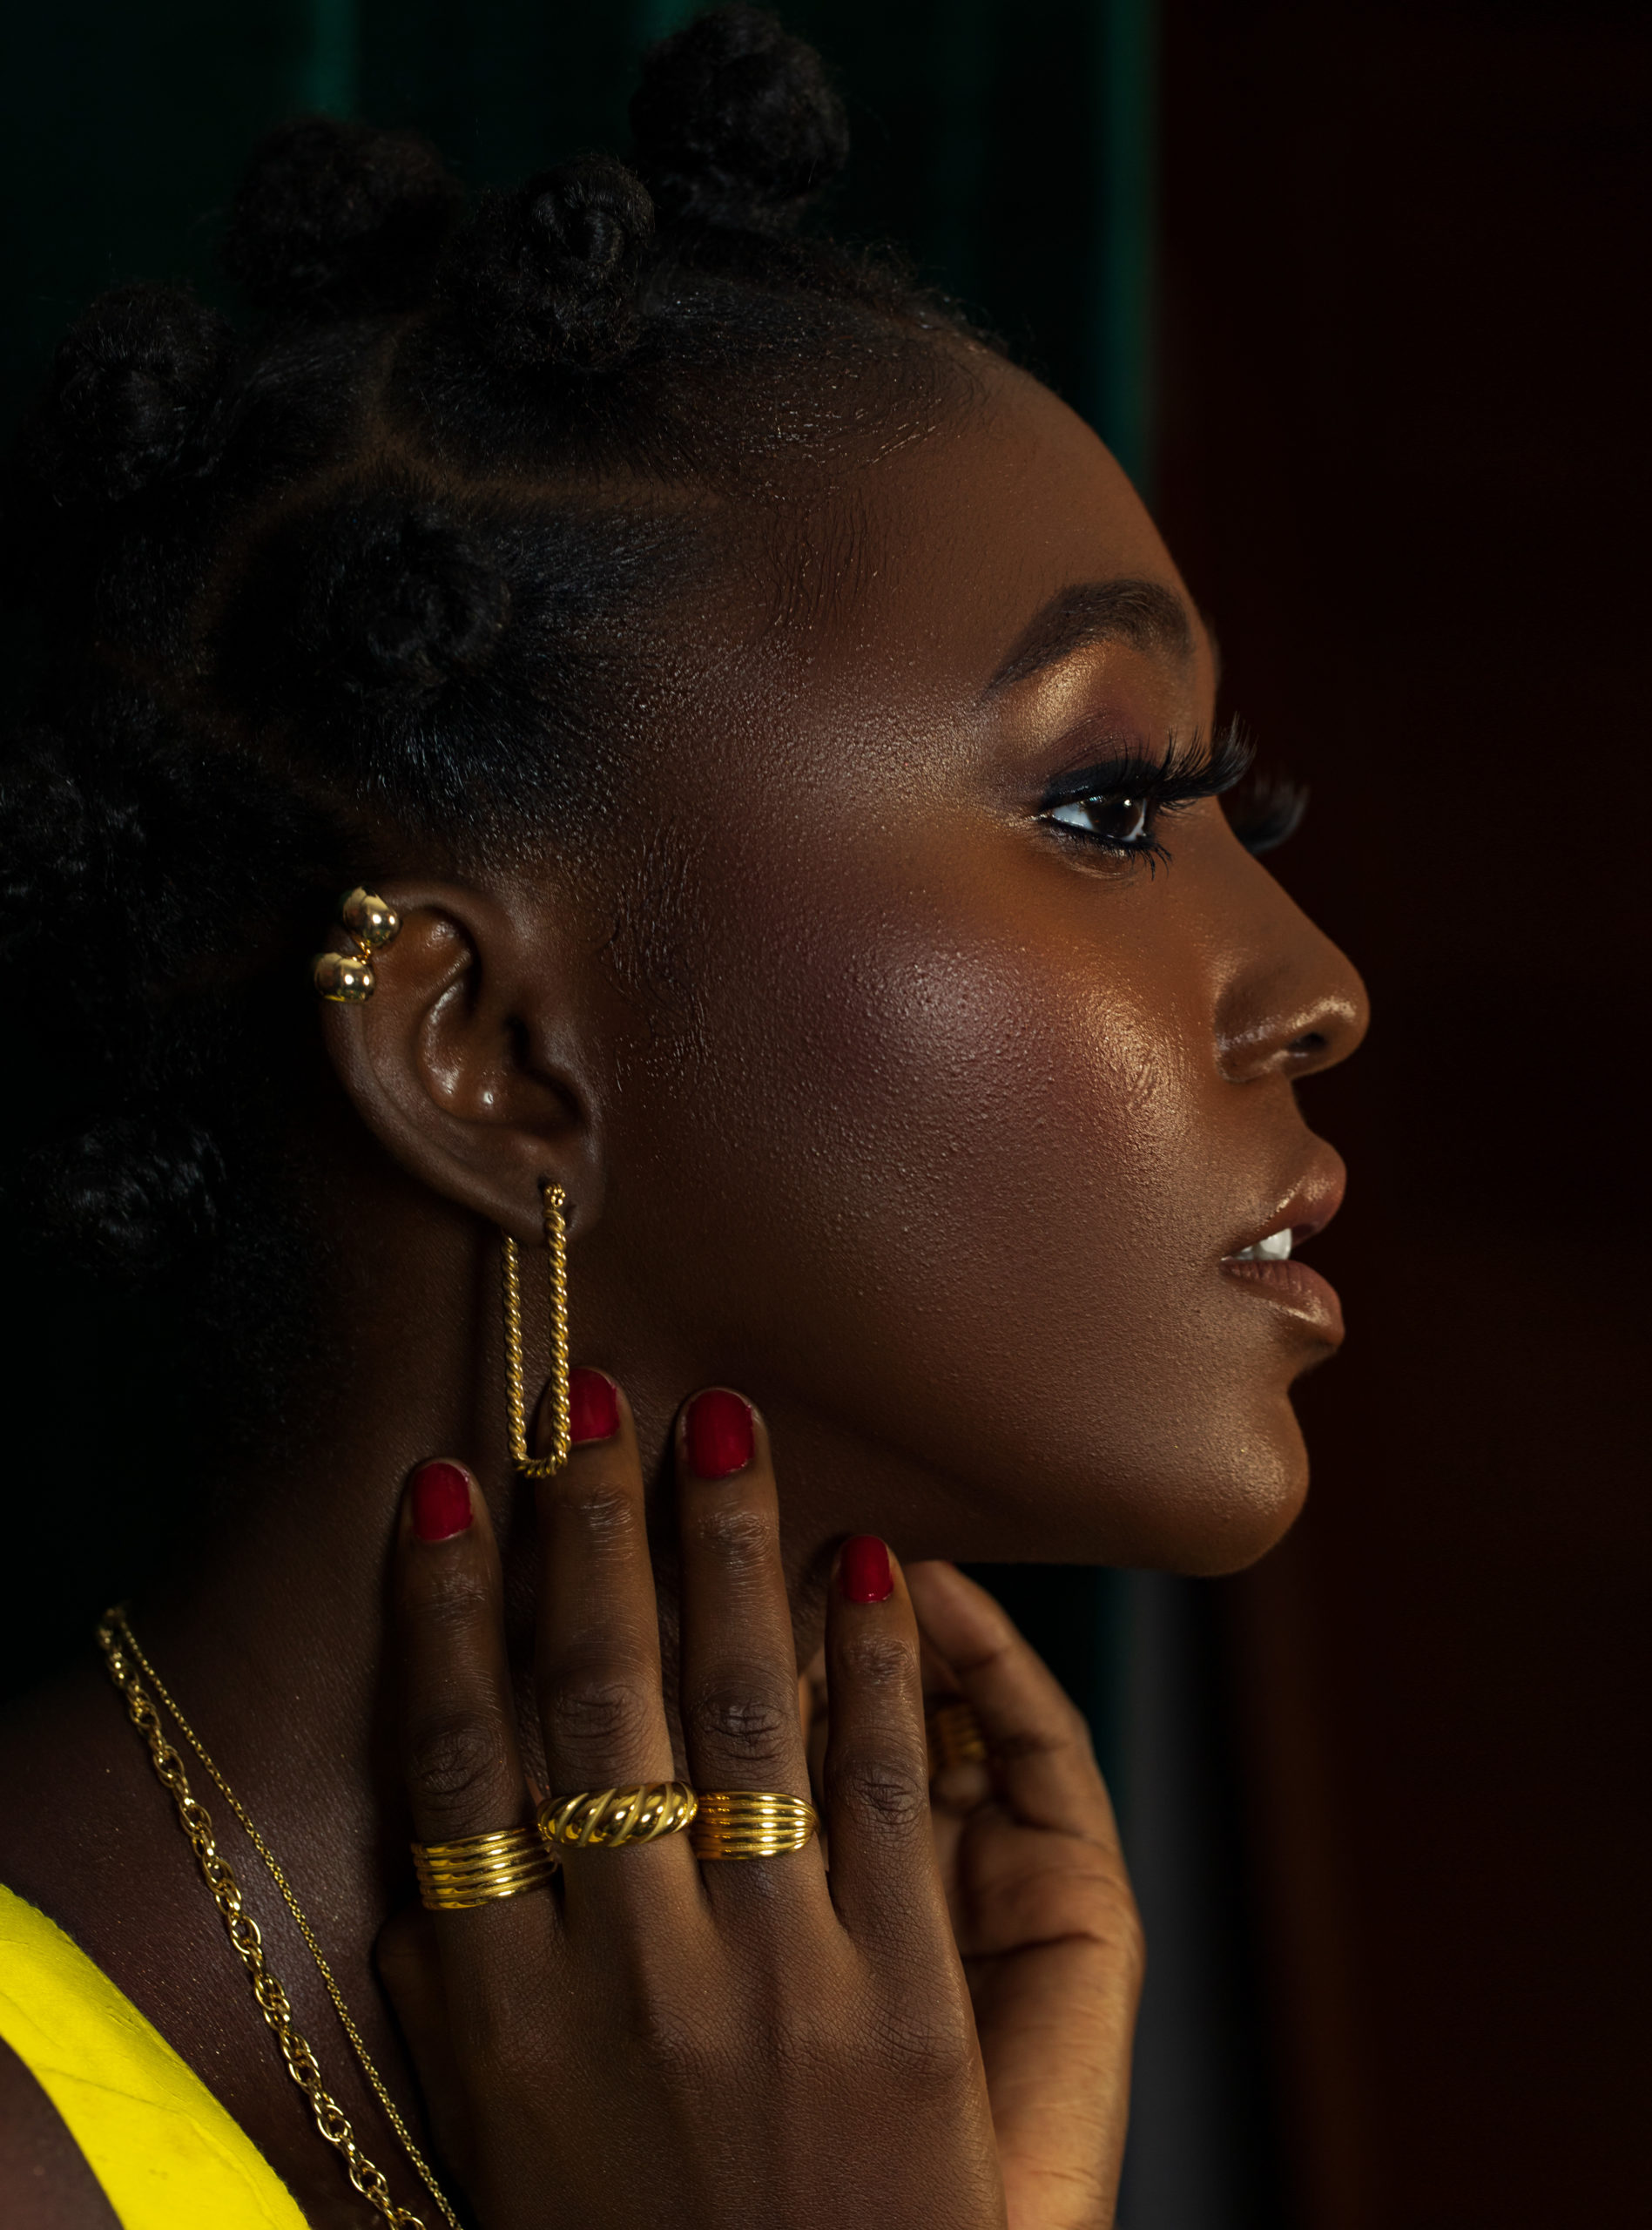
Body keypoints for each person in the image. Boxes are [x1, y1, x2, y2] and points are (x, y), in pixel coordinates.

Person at [0, 9, 1366, 2225]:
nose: (1316, 985)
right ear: (483, 1050)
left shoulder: (895, 2104)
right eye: (1111, 803)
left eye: (1244, 816)